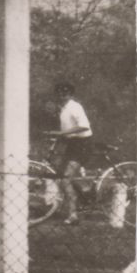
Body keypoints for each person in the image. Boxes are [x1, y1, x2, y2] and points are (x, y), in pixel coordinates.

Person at [46, 82, 94, 224]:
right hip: (72, 145)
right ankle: (83, 197)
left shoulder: (75, 107)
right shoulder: (64, 108)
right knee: (62, 177)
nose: (62, 95)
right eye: (59, 93)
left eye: (65, 93)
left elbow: (84, 127)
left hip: (83, 145)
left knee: (66, 178)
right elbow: (68, 129)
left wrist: (61, 133)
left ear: (71, 94)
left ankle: (73, 215)